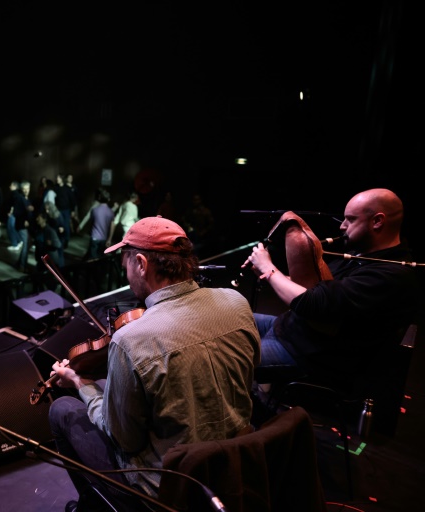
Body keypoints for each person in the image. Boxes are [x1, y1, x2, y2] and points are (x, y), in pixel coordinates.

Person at [48, 216, 260, 508]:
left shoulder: (131, 340)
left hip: (167, 490)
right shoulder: (236, 303)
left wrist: (80, 383)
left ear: (141, 264)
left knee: (62, 410)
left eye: (126, 266)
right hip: (235, 469)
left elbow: (125, 440)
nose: (126, 274)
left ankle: (97, 504)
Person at [245, 188, 419, 394]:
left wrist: (269, 269)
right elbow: (313, 291)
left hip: (309, 356)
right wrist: (269, 275)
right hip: (289, 330)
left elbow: (311, 303)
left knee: (218, 363)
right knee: (223, 316)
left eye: (350, 219)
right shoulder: (359, 255)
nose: (342, 226)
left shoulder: (391, 276)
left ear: (377, 221)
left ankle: (259, 417)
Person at [78, 188, 115, 260]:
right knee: (100, 257)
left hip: (94, 237)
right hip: (104, 238)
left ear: (99, 198)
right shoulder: (111, 212)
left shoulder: (94, 210)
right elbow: (112, 226)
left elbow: (92, 223)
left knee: (92, 257)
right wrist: (109, 239)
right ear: (108, 200)